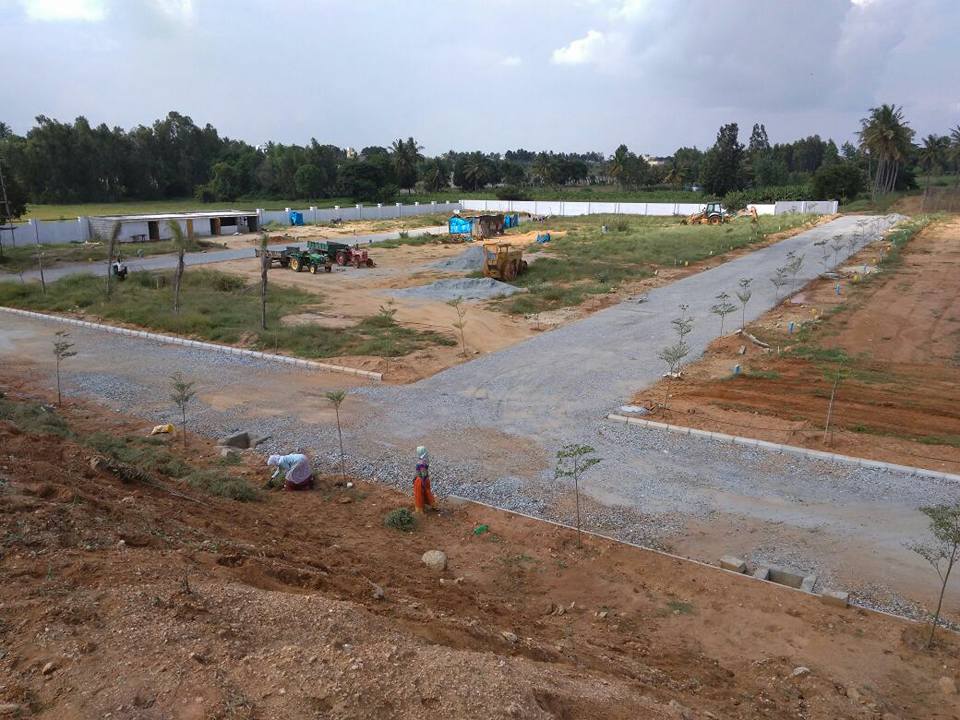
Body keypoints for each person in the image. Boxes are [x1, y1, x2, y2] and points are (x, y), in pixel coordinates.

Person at [412, 446, 436, 513]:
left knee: (419, 495)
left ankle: (419, 510)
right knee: (427, 492)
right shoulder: (425, 459)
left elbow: (423, 474)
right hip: (425, 480)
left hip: (421, 480)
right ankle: (432, 505)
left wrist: (422, 482)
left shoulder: (421, 462)